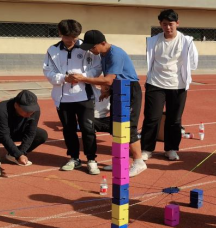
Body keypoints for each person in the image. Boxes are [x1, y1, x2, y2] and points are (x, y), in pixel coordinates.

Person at [69, 30, 148, 177]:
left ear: (103, 43)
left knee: (128, 127)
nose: (91, 51)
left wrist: (82, 78)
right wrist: (107, 91)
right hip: (118, 90)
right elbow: (111, 80)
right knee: (117, 126)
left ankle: (139, 162)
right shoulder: (103, 54)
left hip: (129, 90)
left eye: (93, 47)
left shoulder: (115, 54)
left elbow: (108, 79)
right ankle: (121, 161)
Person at [43, 19, 103, 175]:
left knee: (88, 129)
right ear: (60, 34)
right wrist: (64, 78)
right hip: (63, 98)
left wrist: (83, 77)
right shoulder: (52, 50)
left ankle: (91, 159)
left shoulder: (87, 47)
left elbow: (97, 67)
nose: (72, 40)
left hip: (85, 96)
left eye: (75, 37)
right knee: (69, 130)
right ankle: (74, 158)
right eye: (68, 37)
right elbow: (48, 72)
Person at [140, 9, 199, 162]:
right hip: (155, 83)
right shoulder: (153, 41)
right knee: (152, 117)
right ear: (160, 24)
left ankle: (171, 149)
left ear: (177, 23)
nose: (168, 27)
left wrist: (182, 74)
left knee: (174, 119)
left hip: (177, 85)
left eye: (171, 24)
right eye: (164, 24)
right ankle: (147, 149)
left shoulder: (186, 41)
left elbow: (193, 62)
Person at [0, 90, 49, 177]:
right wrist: (18, 155)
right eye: (26, 110)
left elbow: (31, 132)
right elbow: (3, 135)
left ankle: (12, 155)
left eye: (32, 111)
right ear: (16, 105)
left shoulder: (35, 110)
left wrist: (20, 153)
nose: (29, 114)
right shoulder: (1, 109)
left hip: (15, 130)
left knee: (41, 135)